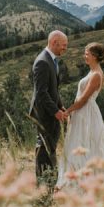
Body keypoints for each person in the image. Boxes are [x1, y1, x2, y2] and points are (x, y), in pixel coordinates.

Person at [56, 42, 104, 189]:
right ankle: (79, 179)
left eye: (87, 53)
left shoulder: (97, 74)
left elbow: (84, 99)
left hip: (87, 113)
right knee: (80, 144)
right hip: (82, 112)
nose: (84, 56)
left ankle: (88, 181)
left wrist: (68, 111)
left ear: (95, 56)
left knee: (87, 144)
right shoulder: (92, 71)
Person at [29, 30, 68, 190]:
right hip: (44, 114)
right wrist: (55, 111)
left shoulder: (52, 61)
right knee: (44, 148)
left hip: (50, 111)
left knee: (50, 147)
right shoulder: (42, 62)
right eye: (63, 46)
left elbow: (54, 90)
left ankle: (50, 181)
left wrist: (60, 105)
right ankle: (44, 185)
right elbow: (41, 93)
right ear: (54, 43)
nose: (64, 49)